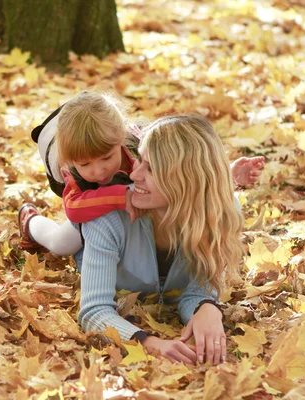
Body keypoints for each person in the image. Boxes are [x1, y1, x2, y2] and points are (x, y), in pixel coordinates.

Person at [78, 114, 245, 365]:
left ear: (187, 179)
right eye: (140, 161)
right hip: (79, 235)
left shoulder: (220, 212)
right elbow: (94, 310)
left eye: (151, 168)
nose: (135, 175)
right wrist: (149, 343)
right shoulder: (108, 216)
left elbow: (198, 292)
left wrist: (207, 309)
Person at [19, 91, 264, 257]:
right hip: (94, 211)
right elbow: (74, 208)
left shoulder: (139, 147)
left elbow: (181, 174)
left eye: (106, 158)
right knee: (63, 244)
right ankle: (31, 223)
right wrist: (124, 196)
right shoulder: (72, 170)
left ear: (119, 140)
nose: (98, 171)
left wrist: (227, 177)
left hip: (139, 213)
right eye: (86, 165)